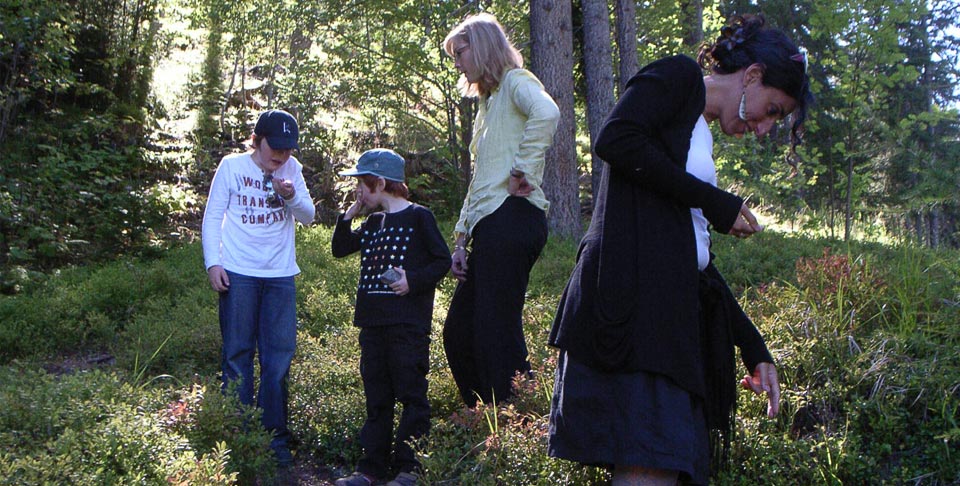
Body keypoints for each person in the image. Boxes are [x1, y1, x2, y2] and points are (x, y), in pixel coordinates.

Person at [547, 15, 812, 485]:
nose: (765, 129)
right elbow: (616, 137)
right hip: (631, 315)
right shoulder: (677, 76)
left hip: (662, 321)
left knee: (660, 473)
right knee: (650, 473)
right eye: (773, 109)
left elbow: (693, 261)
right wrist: (714, 202)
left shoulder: (700, 136)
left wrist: (754, 347)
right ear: (752, 76)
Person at [440, 13, 560, 408]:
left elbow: (548, 113)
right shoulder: (488, 105)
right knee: (459, 331)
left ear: (484, 46)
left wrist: (523, 169)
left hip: (514, 216)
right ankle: (485, 417)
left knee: (496, 328)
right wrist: (460, 239)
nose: (457, 63)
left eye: (460, 52)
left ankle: (514, 422)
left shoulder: (515, 83)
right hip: (490, 223)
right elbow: (481, 179)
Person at [201, 109, 316, 467]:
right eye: (274, 148)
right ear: (256, 141)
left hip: (280, 275)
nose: (280, 156)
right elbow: (212, 216)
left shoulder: (291, 171)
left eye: (287, 149)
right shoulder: (232, 167)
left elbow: (309, 216)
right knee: (236, 353)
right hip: (238, 272)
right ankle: (237, 433)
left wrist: (290, 195)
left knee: (278, 358)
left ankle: (274, 438)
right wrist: (213, 262)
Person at [331, 149, 451, 486]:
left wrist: (412, 280)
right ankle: (371, 469)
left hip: (407, 323)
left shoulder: (418, 217)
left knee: (412, 393)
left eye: (363, 187)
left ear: (381, 182)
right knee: (377, 396)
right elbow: (340, 249)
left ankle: (409, 468)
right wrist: (351, 212)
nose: (360, 193)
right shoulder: (372, 221)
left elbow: (441, 261)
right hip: (372, 322)